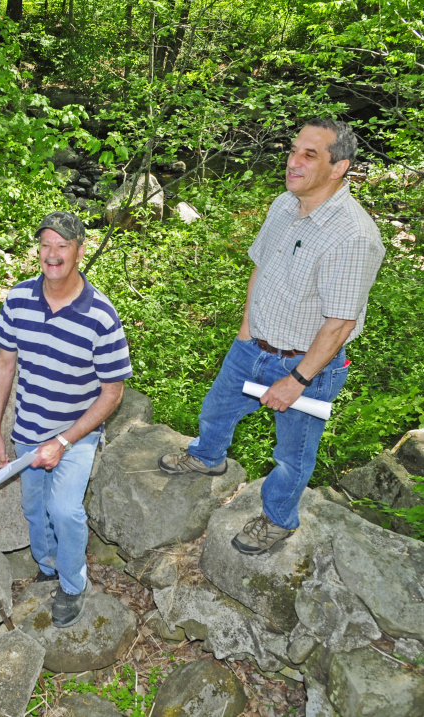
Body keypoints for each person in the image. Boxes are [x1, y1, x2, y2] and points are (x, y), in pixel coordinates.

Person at [158, 118, 385, 555]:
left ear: (339, 168)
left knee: (292, 454)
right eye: (294, 150)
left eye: (309, 155)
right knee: (216, 410)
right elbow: (260, 267)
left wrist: (296, 379)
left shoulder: (354, 236)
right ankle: (208, 457)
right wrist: (246, 333)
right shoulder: (284, 204)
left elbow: (339, 323)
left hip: (309, 367)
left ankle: (278, 519)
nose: (293, 161)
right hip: (255, 345)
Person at [0, 211, 132, 627]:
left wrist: (65, 441)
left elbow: (113, 392)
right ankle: (48, 564)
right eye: (46, 244)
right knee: (35, 509)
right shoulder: (17, 299)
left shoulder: (101, 315)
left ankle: (72, 585)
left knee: (65, 509)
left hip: (76, 434)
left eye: (62, 246)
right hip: (28, 430)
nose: (52, 254)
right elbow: (3, 365)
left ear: (80, 251)